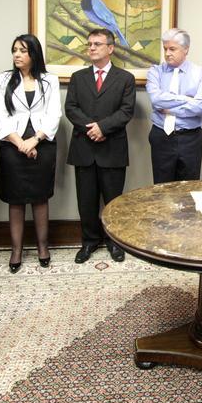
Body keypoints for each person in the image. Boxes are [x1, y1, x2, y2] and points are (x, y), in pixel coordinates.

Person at [65, 29, 135, 264]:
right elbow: (71, 108)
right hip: (83, 148)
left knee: (113, 201)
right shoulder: (78, 77)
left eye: (97, 44)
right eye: (89, 44)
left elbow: (126, 111)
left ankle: (114, 242)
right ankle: (89, 241)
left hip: (112, 148)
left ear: (110, 48)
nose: (92, 48)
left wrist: (103, 128)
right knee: (86, 200)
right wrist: (91, 129)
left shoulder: (125, 78)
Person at [0, 34, 61, 272]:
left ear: (34, 54)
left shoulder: (50, 80)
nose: (17, 55)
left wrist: (34, 140)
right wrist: (20, 143)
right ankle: (16, 250)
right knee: (16, 198)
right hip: (11, 144)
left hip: (42, 143)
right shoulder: (4, 79)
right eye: (15, 50)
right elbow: (0, 115)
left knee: (40, 197)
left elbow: (54, 114)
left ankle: (43, 247)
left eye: (23, 51)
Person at [146, 28, 202, 183]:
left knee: (188, 189)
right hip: (161, 136)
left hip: (190, 138)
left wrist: (169, 105)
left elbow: (201, 107)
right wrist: (187, 99)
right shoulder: (155, 72)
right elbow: (156, 100)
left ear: (186, 49)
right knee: (162, 188)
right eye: (165, 49)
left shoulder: (200, 73)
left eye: (172, 49)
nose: (167, 53)